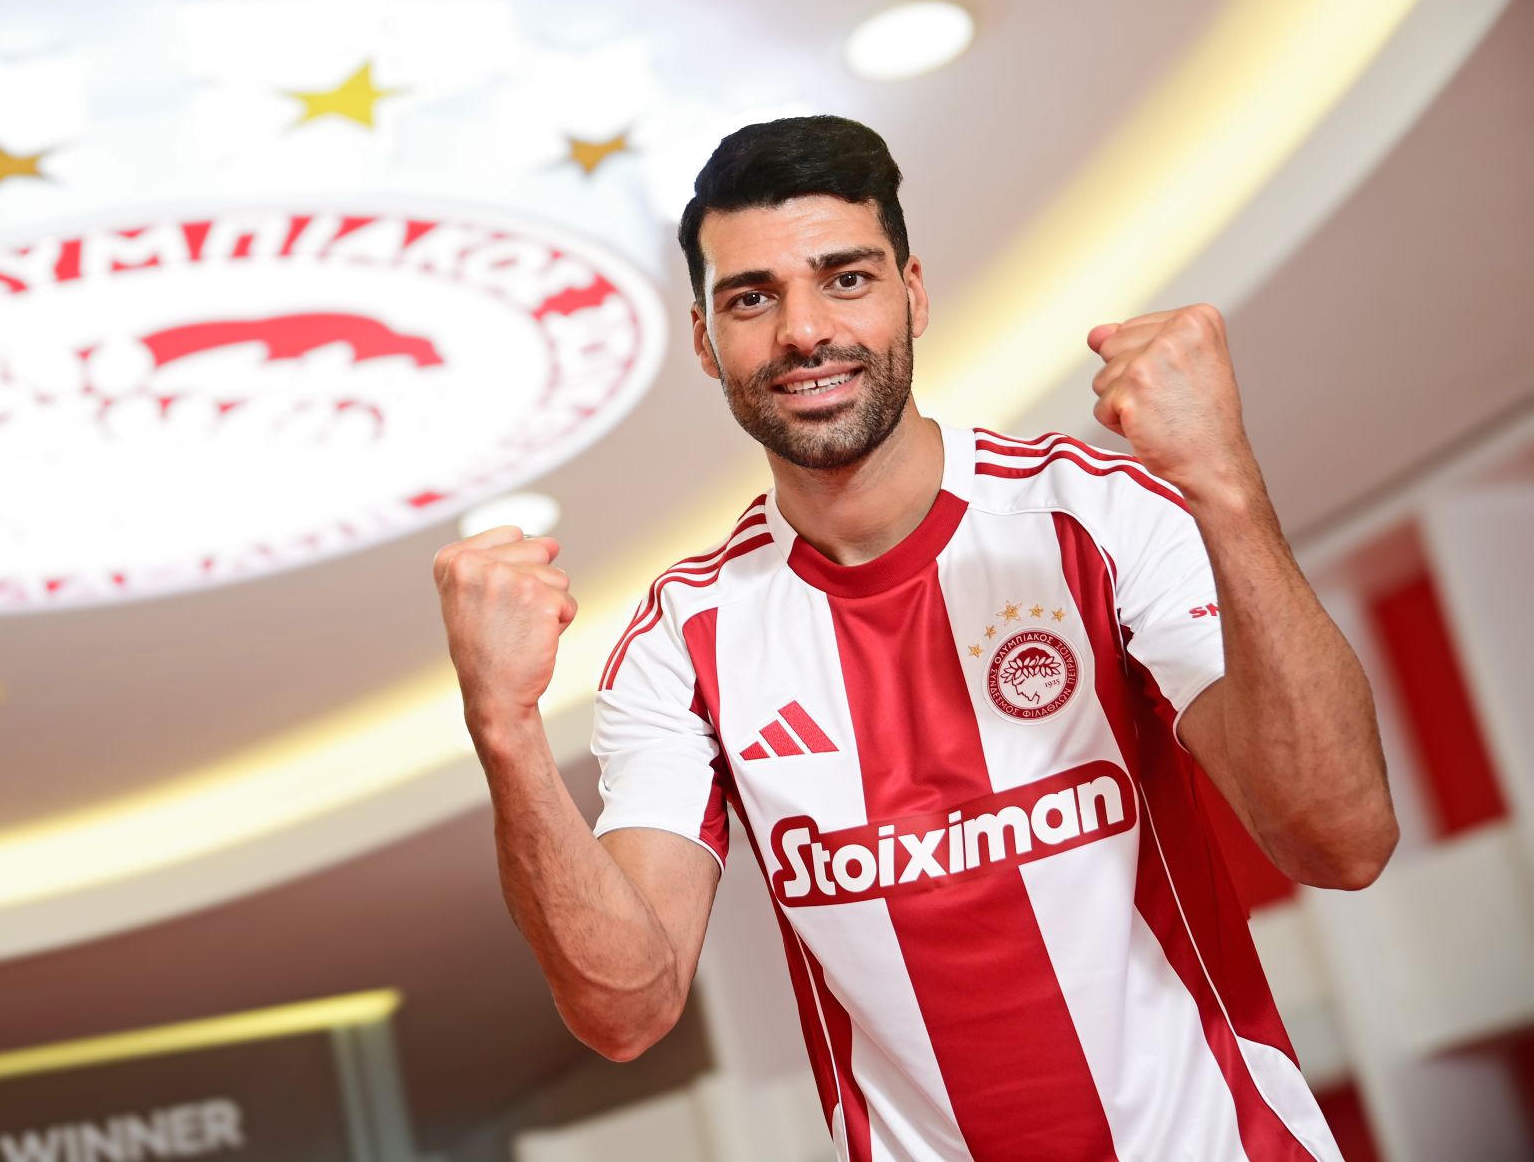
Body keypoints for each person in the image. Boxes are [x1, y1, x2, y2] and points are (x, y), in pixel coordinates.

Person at [430, 116, 1397, 1161]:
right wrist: (503, 726)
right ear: (706, 343)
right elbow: (626, 1010)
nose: (803, 331)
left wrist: (1225, 485)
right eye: (752, 298)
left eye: (844, 278)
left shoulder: (1094, 514)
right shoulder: (682, 640)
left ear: (913, 295)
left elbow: (1340, 842)